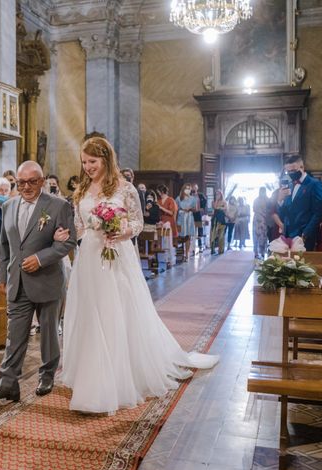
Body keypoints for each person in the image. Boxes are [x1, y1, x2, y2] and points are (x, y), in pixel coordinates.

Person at [57, 136, 218, 413]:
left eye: (92, 162)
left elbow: (137, 221)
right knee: (90, 311)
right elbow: (79, 226)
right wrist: (66, 233)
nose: (87, 168)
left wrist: (121, 232)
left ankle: (117, 375)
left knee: (114, 311)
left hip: (116, 256)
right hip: (89, 259)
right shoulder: (82, 190)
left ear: (106, 159)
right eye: (84, 162)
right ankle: (90, 371)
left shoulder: (125, 188)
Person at [0, 161, 76, 402]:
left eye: (32, 182)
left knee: (49, 332)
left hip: (46, 279)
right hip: (17, 280)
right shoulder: (9, 206)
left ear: (42, 182)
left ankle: (47, 375)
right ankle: (8, 383)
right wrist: (3, 276)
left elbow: (67, 242)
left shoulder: (58, 206)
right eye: (21, 182)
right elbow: (4, 246)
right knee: (14, 334)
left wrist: (41, 259)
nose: (26, 187)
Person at [277, 155, 322, 251]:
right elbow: (284, 214)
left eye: (294, 170)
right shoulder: (289, 185)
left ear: (302, 167)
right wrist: (280, 200)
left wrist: (306, 233)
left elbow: (318, 213)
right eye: (288, 171)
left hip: (305, 236)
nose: (291, 173)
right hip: (288, 235)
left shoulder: (314, 184)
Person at [176, 183, 197, 261]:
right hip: (181, 218)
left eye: (189, 188)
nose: (187, 190)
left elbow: (196, 209)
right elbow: (176, 209)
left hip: (189, 218)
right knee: (181, 236)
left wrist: (190, 209)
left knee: (188, 236)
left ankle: (187, 254)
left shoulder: (193, 199)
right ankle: (180, 253)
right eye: (186, 188)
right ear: (183, 189)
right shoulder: (178, 198)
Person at [253, 188, 269, 259]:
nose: (262, 193)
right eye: (261, 191)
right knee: (256, 236)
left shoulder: (268, 200)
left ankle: (262, 253)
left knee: (263, 237)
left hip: (264, 220)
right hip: (257, 220)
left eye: (263, 191)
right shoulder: (256, 200)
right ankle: (256, 253)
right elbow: (254, 209)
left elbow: (269, 209)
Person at [191, 184, 207, 251]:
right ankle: (192, 247)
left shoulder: (200, 195)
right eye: (193, 187)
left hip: (198, 214)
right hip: (191, 214)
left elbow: (205, 201)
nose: (194, 188)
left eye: (195, 187)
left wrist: (202, 208)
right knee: (192, 231)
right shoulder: (190, 195)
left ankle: (200, 246)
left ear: (197, 188)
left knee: (199, 229)